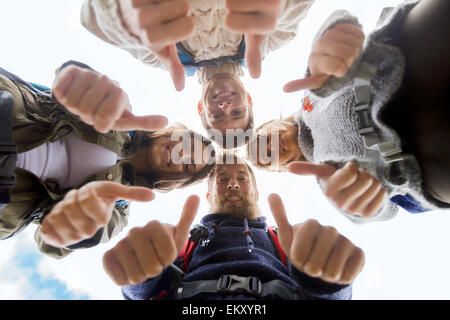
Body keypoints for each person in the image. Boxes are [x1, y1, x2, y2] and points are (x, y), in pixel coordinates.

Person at [247, 0, 450, 223]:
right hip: (419, 158)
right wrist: (364, 204)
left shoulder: (310, 92)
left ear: (270, 124)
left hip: (403, 62)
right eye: (267, 157)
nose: (270, 147)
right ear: (279, 168)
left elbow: (332, 42)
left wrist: (336, 37)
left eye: (263, 139)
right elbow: (385, 210)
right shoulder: (328, 179)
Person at [0, 61, 216, 259]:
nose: (181, 155)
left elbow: (51, 243)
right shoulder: (121, 112)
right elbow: (69, 77)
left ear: (179, 179)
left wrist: (79, 226)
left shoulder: (117, 212)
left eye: (188, 164)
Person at [102, 153, 365, 300]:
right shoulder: (184, 241)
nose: (233, 183)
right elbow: (148, 293)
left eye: (242, 177)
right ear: (208, 196)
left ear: (256, 191)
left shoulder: (286, 242)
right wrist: (139, 272)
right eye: (222, 178)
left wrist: (328, 281)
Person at [80, 0, 315, 147]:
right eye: (237, 112)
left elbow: (91, 21)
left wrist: (125, 15)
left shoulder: (162, 57)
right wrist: (279, 7)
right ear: (249, 100)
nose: (224, 107)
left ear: (201, 108)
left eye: (217, 117)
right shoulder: (270, 39)